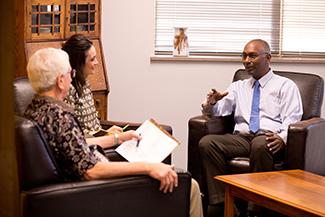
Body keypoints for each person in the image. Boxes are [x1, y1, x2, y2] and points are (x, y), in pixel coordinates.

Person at [24, 48, 203, 217]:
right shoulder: (61, 117)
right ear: (60, 80)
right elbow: (91, 171)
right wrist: (149, 166)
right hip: (96, 191)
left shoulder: (36, 109)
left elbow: (76, 146)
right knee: (189, 185)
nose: (72, 79)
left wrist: (117, 138)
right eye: (70, 74)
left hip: (87, 182)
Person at [199, 39, 303, 217]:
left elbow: (293, 118)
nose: (246, 60)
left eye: (252, 56)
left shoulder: (285, 86)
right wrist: (211, 103)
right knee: (207, 143)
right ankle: (225, 205)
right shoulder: (238, 87)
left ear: (268, 58)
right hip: (243, 138)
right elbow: (219, 111)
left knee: (260, 145)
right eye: (244, 56)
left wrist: (283, 137)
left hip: (269, 138)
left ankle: (255, 211)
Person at [61, 34, 121, 135]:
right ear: (79, 63)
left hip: (98, 140)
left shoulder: (85, 82)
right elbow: (71, 132)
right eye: (92, 59)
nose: (97, 62)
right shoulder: (69, 89)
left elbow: (92, 127)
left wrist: (106, 133)